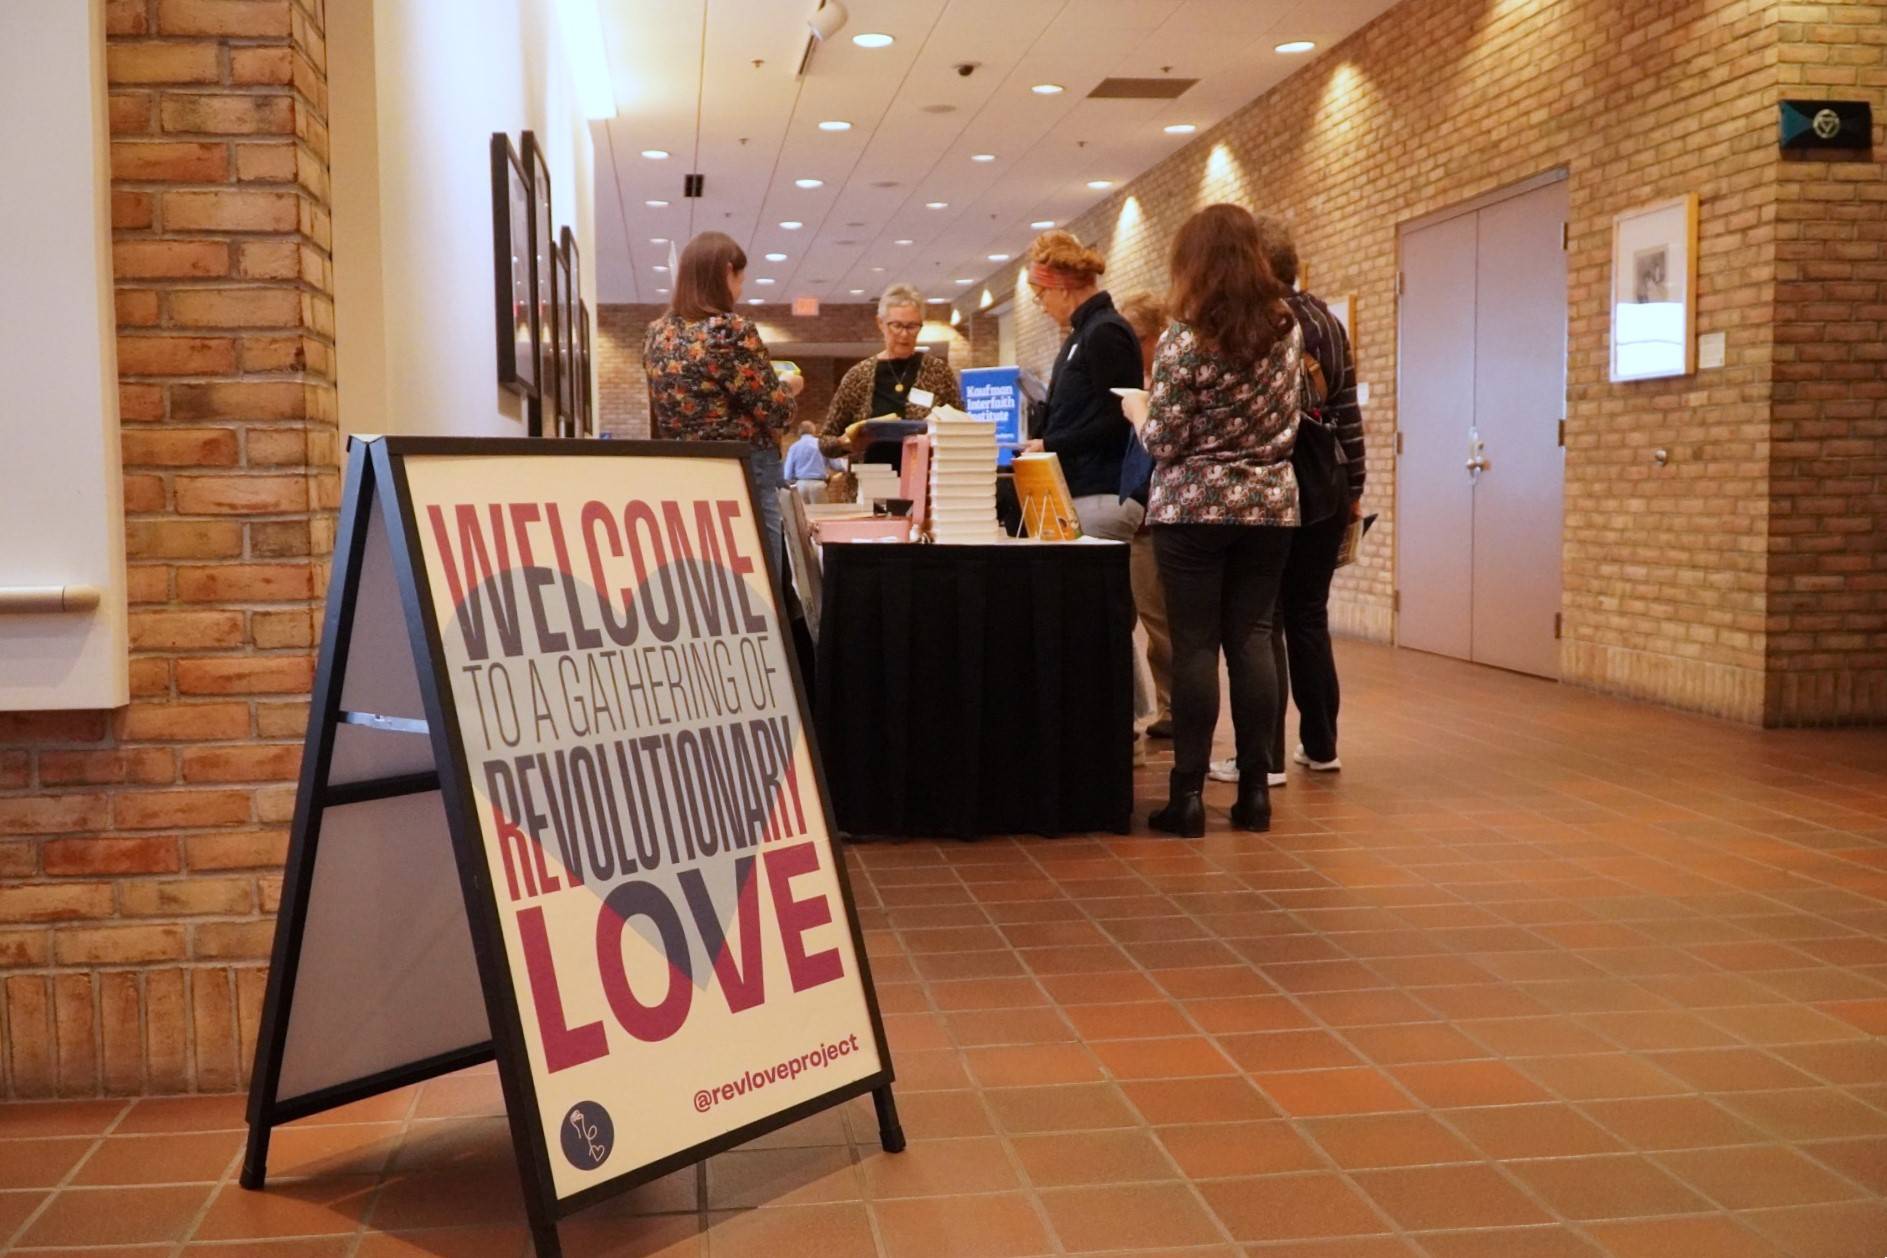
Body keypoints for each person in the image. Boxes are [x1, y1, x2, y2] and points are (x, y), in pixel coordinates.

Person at [1137, 204, 1303, 837]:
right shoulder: (1287, 329)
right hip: (1270, 504)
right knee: (1255, 639)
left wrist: (1144, 417)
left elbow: (1165, 438)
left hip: (1195, 505)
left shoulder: (1185, 334)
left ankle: (1186, 799)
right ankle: (1256, 794)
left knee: (1197, 645)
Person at [1209, 218, 1366, 787]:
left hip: (1278, 484)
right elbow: (1347, 410)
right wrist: (1355, 489)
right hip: (1330, 481)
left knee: (1263, 620)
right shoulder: (1328, 318)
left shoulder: (1269, 324)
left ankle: (1265, 757)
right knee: (1309, 616)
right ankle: (1321, 745)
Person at [644, 231, 803, 568]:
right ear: (727, 271)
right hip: (744, 470)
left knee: (704, 576)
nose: (741, 288)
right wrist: (789, 386)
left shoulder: (657, 334)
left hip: (684, 471)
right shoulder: (729, 330)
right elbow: (777, 412)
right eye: (740, 278)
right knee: (758, 577)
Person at [1022, 230, 1143, 542]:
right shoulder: (1083, 332)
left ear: (1061, 288)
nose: (1043, 306)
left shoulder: (1105, 332)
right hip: (1081, 490)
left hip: (1102, 491)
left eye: (1041, 296)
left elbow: (1117, 417)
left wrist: (1051, 445)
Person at [1117, 292, 1174, 740]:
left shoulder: (1166, 379)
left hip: (1155, 515)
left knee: (1159, 618)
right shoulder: (1142, 377)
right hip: (1140, 510)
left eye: (1135, 339)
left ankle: (1173, 709)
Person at [822, 284, 961, 466]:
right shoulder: (858, 376)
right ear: (880, 323)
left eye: (912, 326)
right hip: (869, 484)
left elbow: (960, 430)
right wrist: (847, 443)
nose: (904, 334)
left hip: (926, 483)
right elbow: (825, 442)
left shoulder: (938, 372)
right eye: (896, 326)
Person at [783, 420, 835, 502]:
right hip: (818, 485)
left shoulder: (794, 447)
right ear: (813, 431)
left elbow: (787, 474)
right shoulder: (821, 444)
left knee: (803, 514)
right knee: (820, 513)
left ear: (799, 432)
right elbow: (836, 464)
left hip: (801, 485)